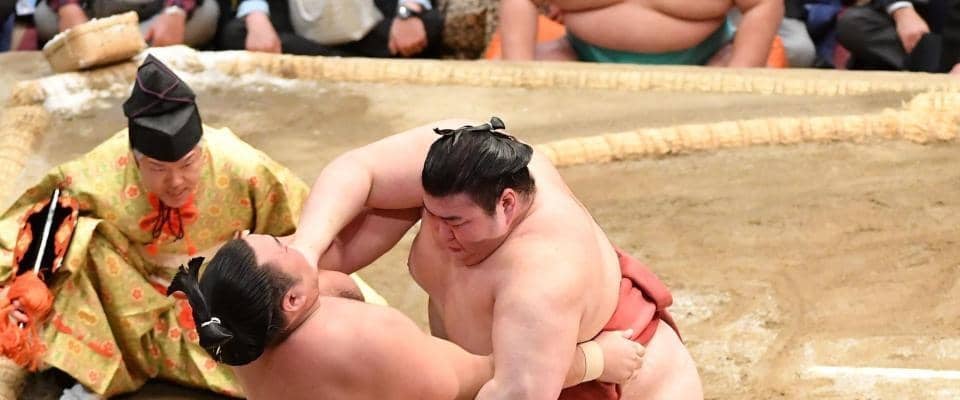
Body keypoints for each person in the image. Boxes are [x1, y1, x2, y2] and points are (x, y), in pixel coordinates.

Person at [0, 55, 381, 398]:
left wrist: (258, 260)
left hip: (224, 298)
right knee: (75, 243)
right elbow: (45, 213)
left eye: (188, 163)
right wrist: (28, 283)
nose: (177, 182)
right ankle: (92, 371)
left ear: (202, 149)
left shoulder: (240, 165)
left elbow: (305, 230)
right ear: (134, 159)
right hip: (132, 302)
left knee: (329, 330)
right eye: (158, 169)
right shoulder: (102, 170)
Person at [287, 117, 703, 399]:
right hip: (496, 372)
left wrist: (590, 361)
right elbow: (358, 170)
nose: (437, 232)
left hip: (617, 385)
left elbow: (516, 390)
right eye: (430, 213)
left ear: (506, 204)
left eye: (455, 222)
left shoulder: (544, 272)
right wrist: (305, 250)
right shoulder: (459, 161)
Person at [169, 235, 647, 399]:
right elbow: (503, 378)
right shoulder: (370, 337)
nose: (295, 244)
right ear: (291, 301)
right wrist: (596, 359)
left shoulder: (235, 333)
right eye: (282, 247)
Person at [497, 0, 782, 67]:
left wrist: (740, 74)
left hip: (707, 59)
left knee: (752, 88)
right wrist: (520, 72)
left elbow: (762, 5)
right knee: (511, 74)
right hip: (581, 55)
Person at [215, 0, 442, 58]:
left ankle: (346, 59)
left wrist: (407, 13)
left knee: (428, 24)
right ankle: (340, 60)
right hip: (299, 38)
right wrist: (257, 19)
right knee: (238, 33)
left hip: (370, 32)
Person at [837, 0, 960, 72]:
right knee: (853, 24)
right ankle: (928, 65)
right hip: (915, 32)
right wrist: (901, 9)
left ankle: (932, 67)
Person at [33, 0, 219, 47]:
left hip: (157, 14)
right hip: (92, 14)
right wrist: (68, 7)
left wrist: (176, 9)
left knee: (207, 14)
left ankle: (117, 48)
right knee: (44, 18)